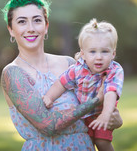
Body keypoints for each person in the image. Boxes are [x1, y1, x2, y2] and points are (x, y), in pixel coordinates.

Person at [1, 0, 123, 150]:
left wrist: (115, 118)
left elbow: (100, 114)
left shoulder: (69, 63)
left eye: (37, 20)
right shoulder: (12, 73)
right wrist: (96, 100)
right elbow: (48, 125)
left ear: (46, 26)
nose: (30, 28)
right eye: (22, 22)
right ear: (11, 29)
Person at [43, 19, 124, 151]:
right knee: (86, 144)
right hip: (83, 116)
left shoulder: (114, 70)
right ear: (83, 54)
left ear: (113, 54)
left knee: (102, 141)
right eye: (92, 52)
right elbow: (61, 83)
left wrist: (106, 114)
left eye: (104, 51)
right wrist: (49, 97)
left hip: (102, 113)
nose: (99, 57)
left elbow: (110, 91)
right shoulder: (77, 69)